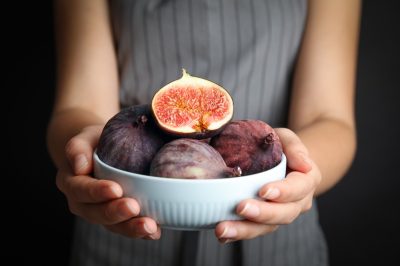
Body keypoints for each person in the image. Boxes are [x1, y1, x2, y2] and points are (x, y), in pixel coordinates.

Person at [47, 0, 361, 265]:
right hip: (124, 219)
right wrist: (82, 152)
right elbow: (77, 104)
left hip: (279, 239)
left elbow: (330, 117)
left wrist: (299, 171)